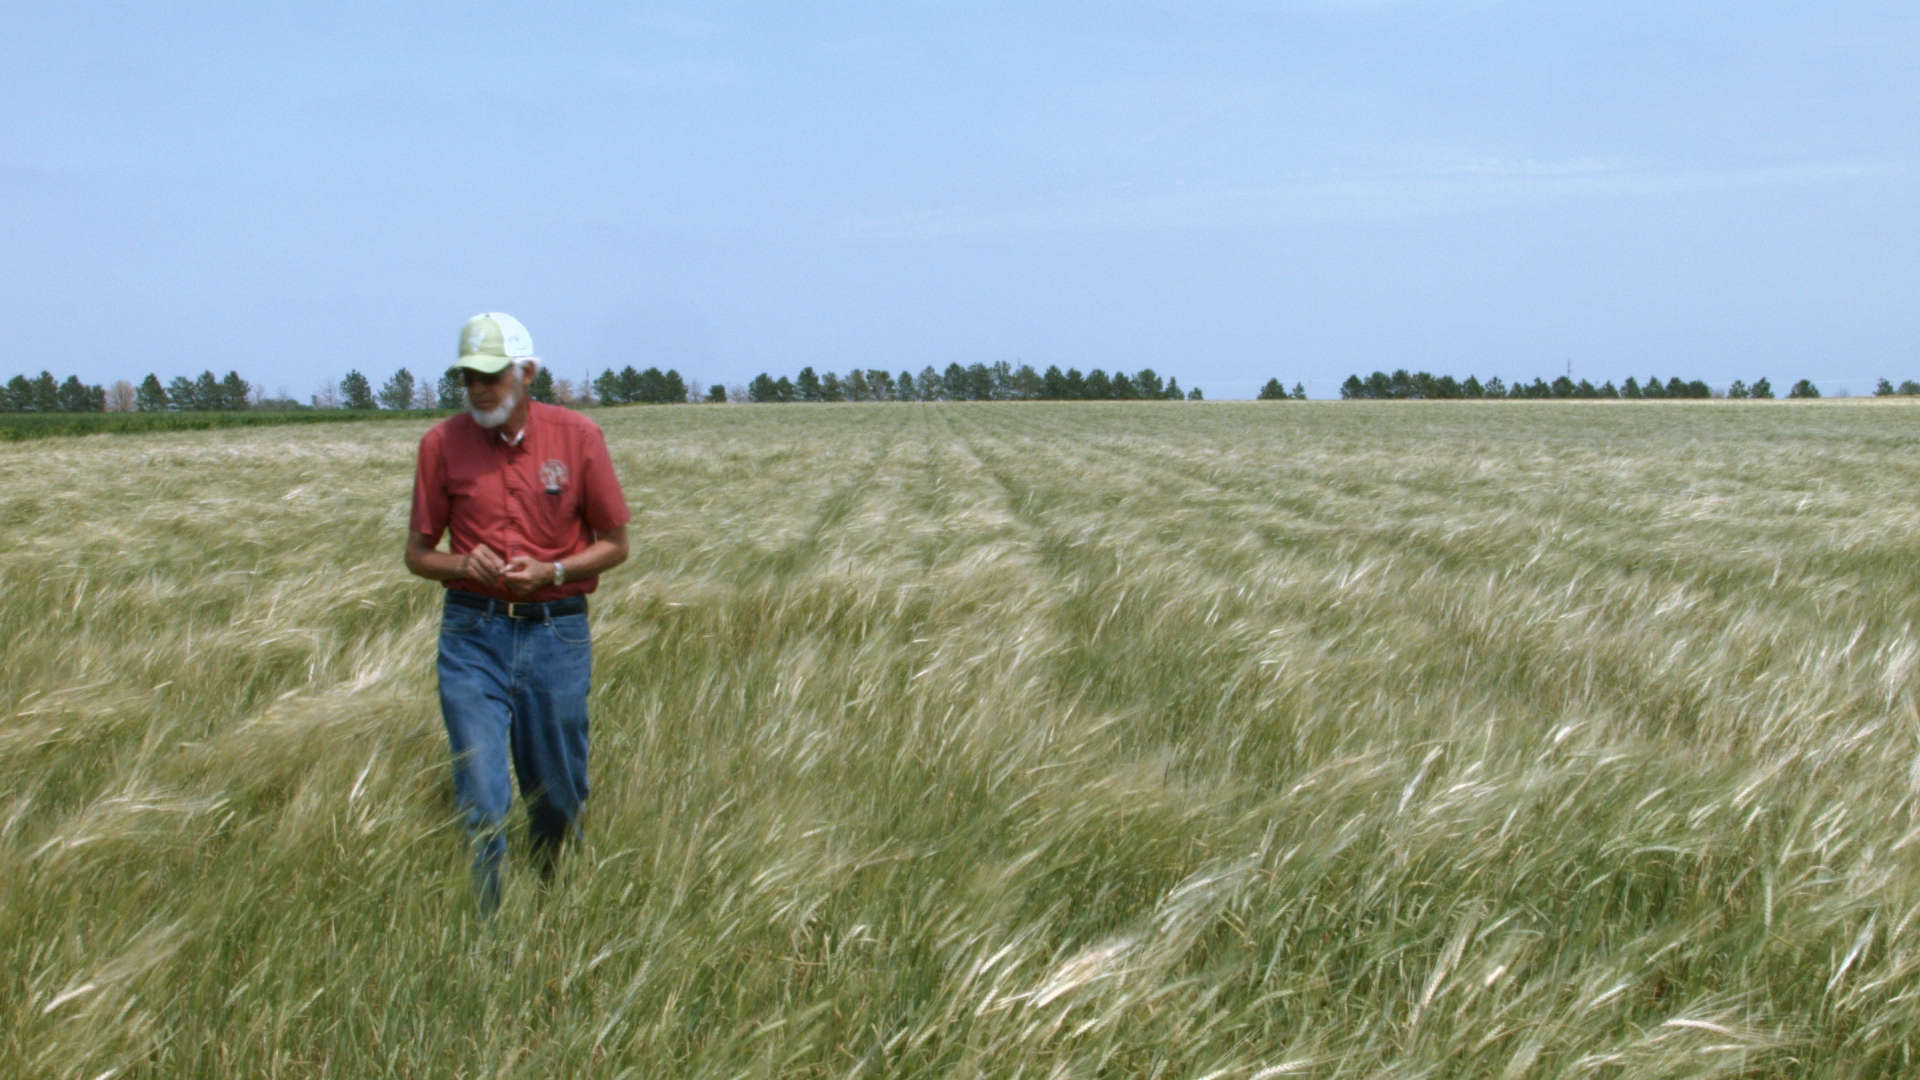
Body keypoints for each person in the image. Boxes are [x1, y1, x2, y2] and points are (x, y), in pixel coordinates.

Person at [405, 312, 630, 913]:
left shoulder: (578, 438)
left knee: (556, 796)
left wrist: (553, 571)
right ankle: (491, 935)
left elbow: (616, 543)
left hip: (556, 632)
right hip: (471, 634)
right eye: (468, 378)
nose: (479, 388)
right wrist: (460, 566)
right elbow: (418, 555)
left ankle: (557, 909)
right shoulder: (439, 446)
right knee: (481, 794)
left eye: (492, 375)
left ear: (527, 372)